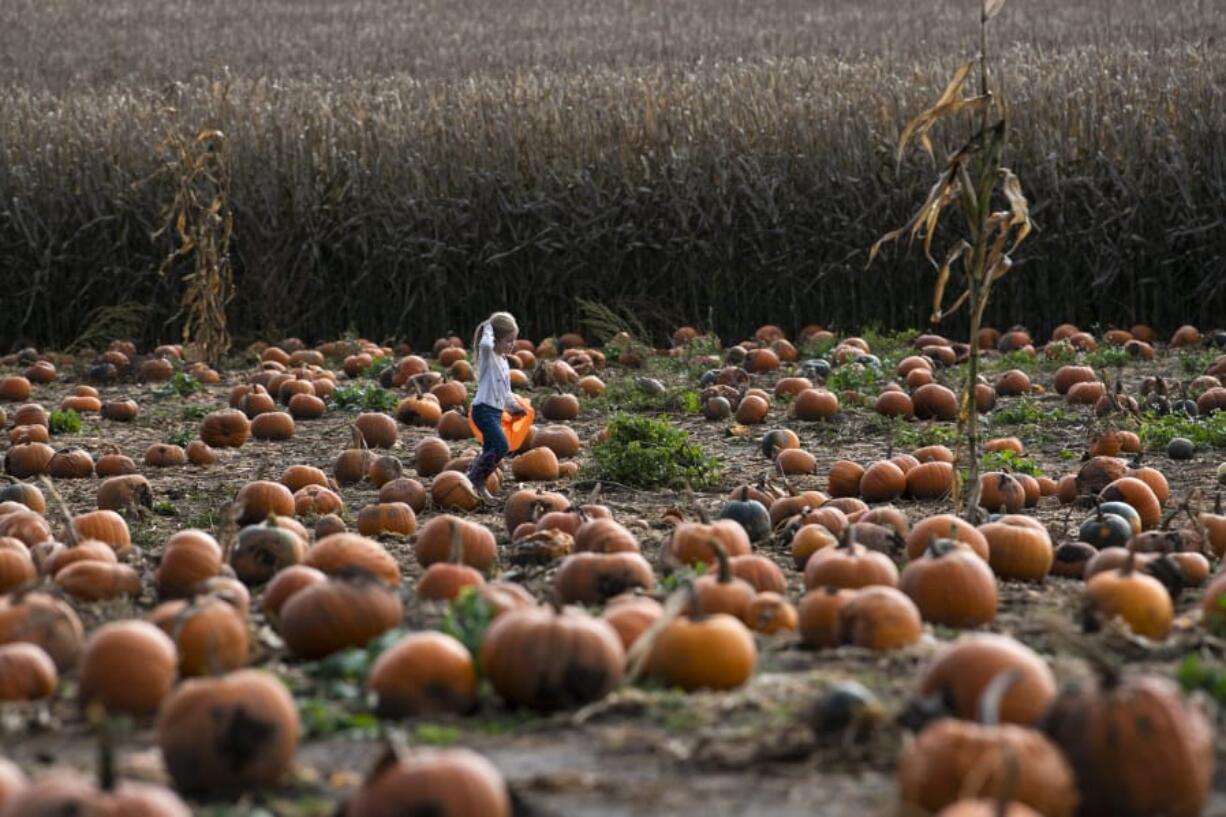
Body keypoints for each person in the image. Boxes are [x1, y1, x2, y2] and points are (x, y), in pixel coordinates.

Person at [466, 311, 526, 502]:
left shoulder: (504, 362)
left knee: (490, 449)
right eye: (508, 341)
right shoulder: (488, 356)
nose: (512, 344)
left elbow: (506, 391)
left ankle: (475, 481)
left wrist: (514, 407)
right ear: (496, 341)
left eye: (513, 340)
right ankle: (475, 479)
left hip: (495, 413)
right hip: (482, 410)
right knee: (501, 446)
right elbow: (484, 344)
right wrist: (488, 327)